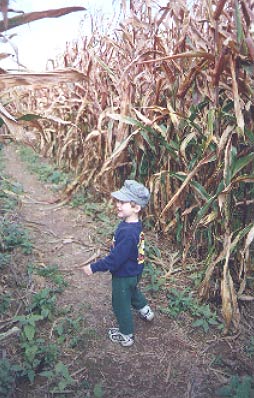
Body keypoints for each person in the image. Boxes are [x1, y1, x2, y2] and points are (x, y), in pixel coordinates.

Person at [83, 180, 154, 347]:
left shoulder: (128, 233)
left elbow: (115, 259)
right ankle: (145, 310)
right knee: (133, 290)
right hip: (135, 270)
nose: (118, 205)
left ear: (136, 208)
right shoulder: (134, 225)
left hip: (124, 274)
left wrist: (93, 267)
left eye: (123, 202)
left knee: (120, 303)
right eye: (118, 201)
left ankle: (126, 334)